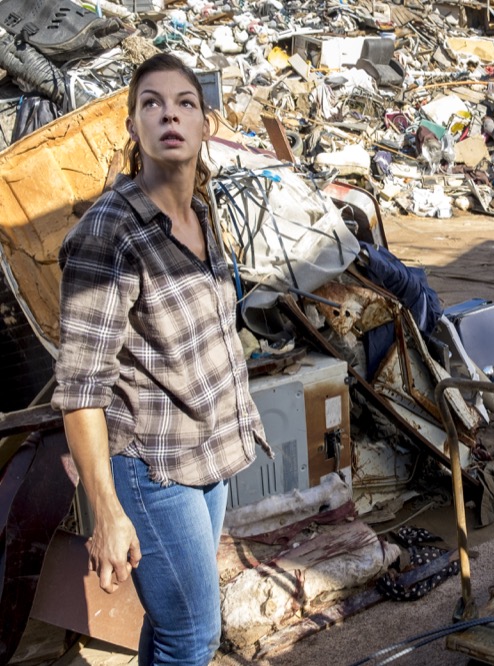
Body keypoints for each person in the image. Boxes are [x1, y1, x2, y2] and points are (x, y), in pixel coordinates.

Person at [51, 53, 269, 665]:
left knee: (172, 625)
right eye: (151, 102)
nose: (169, 113)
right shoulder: (109, 233)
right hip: (152, 471)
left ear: (207, 123)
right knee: (194, 635)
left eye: (185, 103)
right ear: (132, 127)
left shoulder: (201, 214)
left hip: (206, 456)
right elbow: (81, 387)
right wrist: (106, 512)